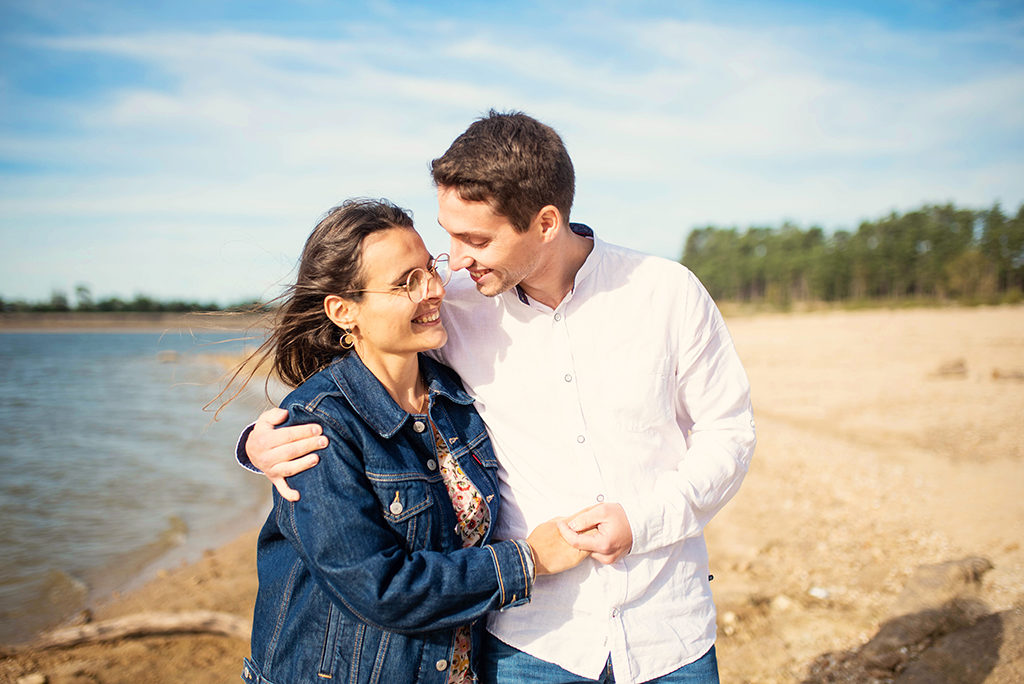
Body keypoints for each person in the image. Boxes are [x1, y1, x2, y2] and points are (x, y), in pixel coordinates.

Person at [240, 112, 756, 684]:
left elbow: (728, 433)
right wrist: (256, 443)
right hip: (531, 639)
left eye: (475, 239)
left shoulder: (666, 292)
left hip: (668, 629)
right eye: (448, 235)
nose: (454, 262)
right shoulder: (454, 305)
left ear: (545, 222)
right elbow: (353, 376)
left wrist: (643, 521)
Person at [228, 198, 588, 684]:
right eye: (406, 283)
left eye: (430, 269)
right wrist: (530, 560)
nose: (434, 290)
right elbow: (380, 589)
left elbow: (534, 256)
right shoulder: (316, 427)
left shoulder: (455, 398)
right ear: (343, 311)